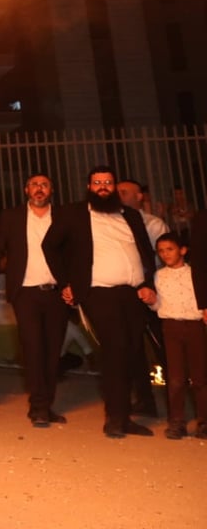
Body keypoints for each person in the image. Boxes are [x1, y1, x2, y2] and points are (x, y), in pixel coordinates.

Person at [42, 165, 157, 439]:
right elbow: (50, 246)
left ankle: (124, 416)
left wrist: (148, 284)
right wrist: (67, 281)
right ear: (89, 188)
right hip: (98, 293)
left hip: (132, 294)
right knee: (116, 351)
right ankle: (115, 420)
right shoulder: (75, 214)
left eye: (107, 182)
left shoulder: (130, 215)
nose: (102, 186)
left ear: (114, 187)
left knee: (131, 352)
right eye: (97, 183)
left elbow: (144, 251)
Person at [0, 173, 68, 427]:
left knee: (53, 351)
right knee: (33, 349)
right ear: (26, 190)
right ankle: (38, 407)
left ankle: (46, 404)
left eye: (44, 185)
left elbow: (77, 251)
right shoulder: (12, 217)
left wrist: (73, 284)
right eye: (34, 185)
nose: (39, 189)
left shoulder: (63, 216)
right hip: (26, 293)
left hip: (56, 292)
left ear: (51, 190)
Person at [117, 177, 169, 417]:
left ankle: (173, 402)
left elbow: (161, 259)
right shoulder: (114, 223)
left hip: (154, 292)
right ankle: (145, 400)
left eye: (125, 192)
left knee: (163, 347)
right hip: (128, 293)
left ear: (140, 197)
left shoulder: (153, 224)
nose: (120, 194)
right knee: (133, 348)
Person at [149, 234, 206, 440]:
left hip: (194, 326)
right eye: (161, 251)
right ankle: (176, 422)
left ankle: (204, 421)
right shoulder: (158, 276)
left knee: (200, 377)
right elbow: (157, 306)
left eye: (170, 249)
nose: (165, 254)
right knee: (175, 379)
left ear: (183, 250)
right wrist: (151, 300)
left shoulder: (196, 274)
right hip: (171, 327)